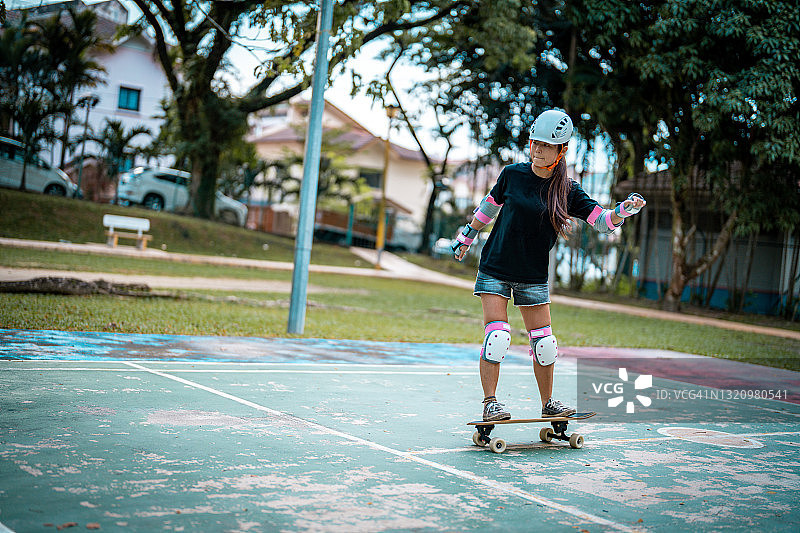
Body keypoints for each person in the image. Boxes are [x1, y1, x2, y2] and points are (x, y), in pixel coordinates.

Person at [451, 109, 646, 421]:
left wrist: (623, 210)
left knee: (545, 344)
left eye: (545, 145)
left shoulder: (567, 190)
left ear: (561, 150)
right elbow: (489, 206)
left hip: (532, 275)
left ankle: (548, 404)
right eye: (534, 142)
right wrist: (467, 235)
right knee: (497, 337)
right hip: (496, 268)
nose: (537, 149)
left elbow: (603, 222)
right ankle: (490, 403)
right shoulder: (512, 175)